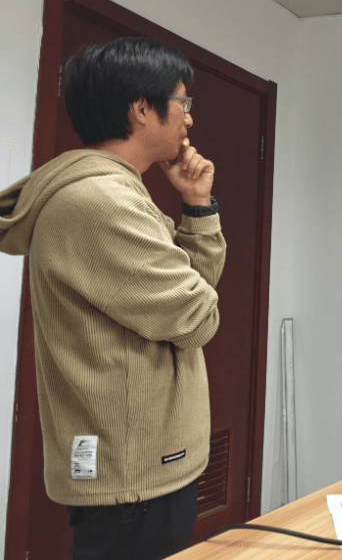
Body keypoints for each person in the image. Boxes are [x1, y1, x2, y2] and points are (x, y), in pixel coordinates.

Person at [0, 37, 225, 559]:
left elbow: (191, 293)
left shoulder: (118, 193)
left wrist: (197, 205)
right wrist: (197, 293)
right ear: (142, 108)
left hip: (143, 469)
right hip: (134, 478)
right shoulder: (101, 202)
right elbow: (198, 318)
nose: (189, 119)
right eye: (183, 102)